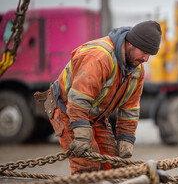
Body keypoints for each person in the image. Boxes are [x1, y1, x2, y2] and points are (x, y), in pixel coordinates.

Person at [35, 20, 162, 175]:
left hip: (95, 117)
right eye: (144, 52)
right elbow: (79, 100)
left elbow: (130, 108)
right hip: (67, 110)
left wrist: (126, 140)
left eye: (150, 54)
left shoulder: (136, 70)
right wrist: (81, 136)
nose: (146, 59)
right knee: (88, 169)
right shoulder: (99, 57)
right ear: (131, 44)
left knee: (115, 168)